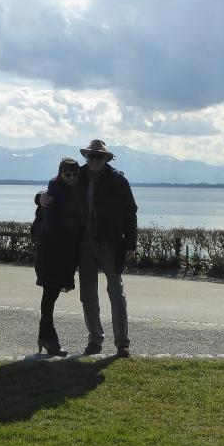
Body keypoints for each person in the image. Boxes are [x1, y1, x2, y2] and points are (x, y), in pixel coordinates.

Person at [70, 139, 138, 356]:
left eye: (99, 156)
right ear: (86, 157)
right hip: (84, 244)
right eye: (91, 156)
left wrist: (130, 243)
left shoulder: (118, 180)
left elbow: (131, 212)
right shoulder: (76, 177)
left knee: (116, 294)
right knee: (87, 295)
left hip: (111, 244)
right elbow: (56, 190)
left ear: (106, 158)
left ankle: (122, 343)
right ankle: (95, 341)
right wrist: (39, 198)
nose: (94, 160)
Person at [32, 157, 85, 356]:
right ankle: (49, 338)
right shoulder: (54, 192)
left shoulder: (73, 190)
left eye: (75, 174)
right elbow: (53, 225)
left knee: (51, 295)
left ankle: (45, 337)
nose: (72, 177)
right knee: (50, 295)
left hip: (63, 253)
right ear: (60, 174)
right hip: (52, 252)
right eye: (67, 174)